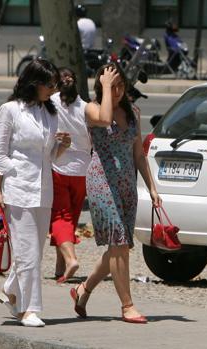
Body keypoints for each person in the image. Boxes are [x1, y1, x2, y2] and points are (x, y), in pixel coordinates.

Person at [69, 63, 161, 324]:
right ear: (101, 85)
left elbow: (139, 155)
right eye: (113, 85)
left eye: (121, 85)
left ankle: (82, 290)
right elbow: (106, 118)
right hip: (102, 183)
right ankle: (127, 306)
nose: (118, 90)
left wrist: (152, 188)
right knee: (119, 243)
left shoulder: (133, 112)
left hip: (126, 186)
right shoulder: (93, 108)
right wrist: (106, 87)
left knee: (117, 247)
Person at [0, 58, 71, 327]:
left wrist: (62, 147)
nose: (53, 89)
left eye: (55, 85)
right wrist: (11, 175)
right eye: (49, 84)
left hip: (43, 189)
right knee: (27, 251)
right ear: (33, 83)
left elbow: (51, 157)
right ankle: (30, 309)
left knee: (34, 252)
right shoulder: (10, 110)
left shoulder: (50, 113)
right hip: (19, 189)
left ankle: (11, 292)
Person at [49, 67, 91, 283]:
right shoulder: (86, 108)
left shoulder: (52, 102)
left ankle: (70, 259)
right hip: (82, 170)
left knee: (60, 217)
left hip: (59, 166)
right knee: (71, 218)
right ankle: (60, 265)